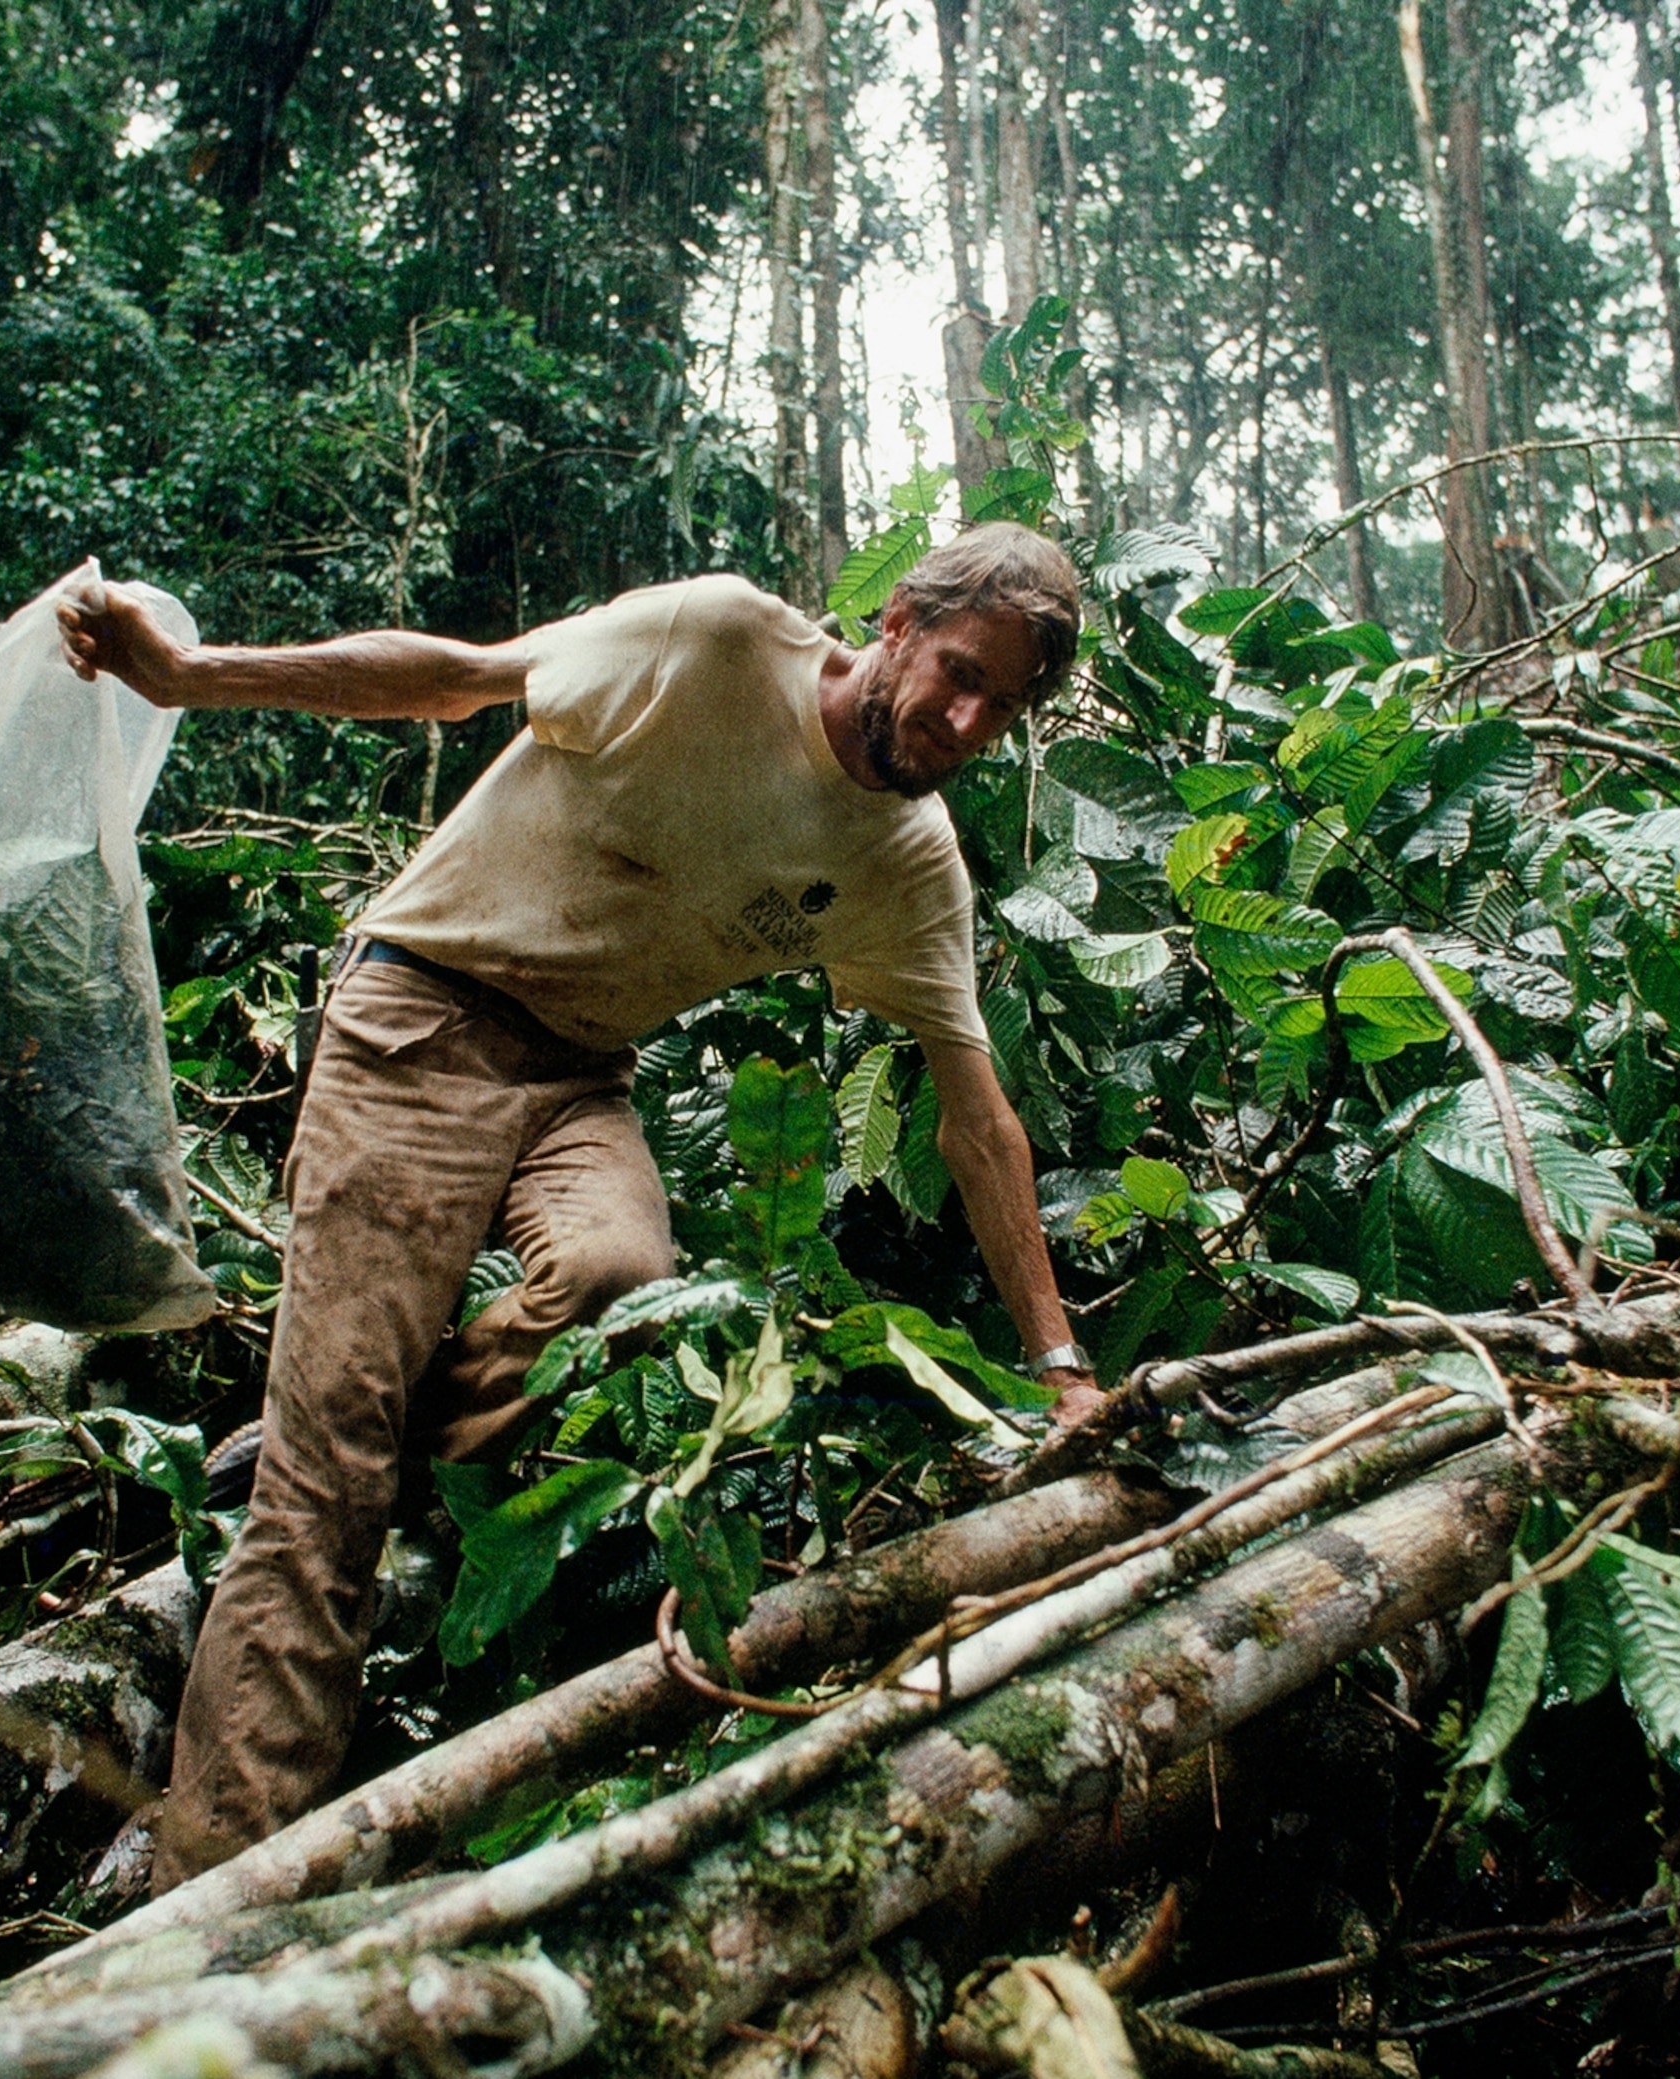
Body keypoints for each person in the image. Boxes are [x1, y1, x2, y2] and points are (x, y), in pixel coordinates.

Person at [56, 525, 1108, 1891]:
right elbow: (458, 677)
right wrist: (191, 674)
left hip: (576, 1079)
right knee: (329, 1502)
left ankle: (350, 1404)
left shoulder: (909, 862)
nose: (966, 722)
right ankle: (218, 1902)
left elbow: (977, 1115)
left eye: (1003, 707)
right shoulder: (721, 642)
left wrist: (1063, 1366)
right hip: (418, 1019)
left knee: (620, 1282)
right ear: (897, 622)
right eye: (958, 673)